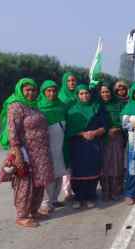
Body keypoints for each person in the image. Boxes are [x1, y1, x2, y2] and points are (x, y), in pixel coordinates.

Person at [0, 78, 54, 228]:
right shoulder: (16, 107)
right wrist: (17, 153)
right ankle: (22, 215)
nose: (31, 93)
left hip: (41, 153)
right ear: (21, 90)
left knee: (39, 183)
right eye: (27, 90)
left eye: (33, 90)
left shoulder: (35, 106)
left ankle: (34, 211)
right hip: (25, 152)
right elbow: (12, 132)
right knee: (24, 183)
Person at [65, 85, 107, 209]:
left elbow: (104, 125)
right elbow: (68, 129)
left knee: (92, 168)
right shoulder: (72, 110)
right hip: (77, 145)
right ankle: (78, 197)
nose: (84, 96)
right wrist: (82, 133)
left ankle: (91, 196)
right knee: (78, 170)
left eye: (86, 93)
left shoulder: (97, 108)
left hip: (93, 144)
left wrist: (94, 133)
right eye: (81, 94)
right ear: (77, 95)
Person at [37, 80, 68, 213]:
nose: (52, 93)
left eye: (54, 90)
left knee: (59, 172)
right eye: (48, 91)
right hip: (47, 146)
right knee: (48, 174)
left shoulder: (61, 106)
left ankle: (54, 199)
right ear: (43, 92)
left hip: (61, 145)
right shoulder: (39, 107)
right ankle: (45, 202)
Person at [99, 83, 126, 201]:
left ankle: (116, 190)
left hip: (117, 137)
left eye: (107, 92)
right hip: (102, 138)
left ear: (111, 92)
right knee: (104, 165)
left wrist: (116, 128)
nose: (105, 94)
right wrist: (103, 130)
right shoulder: (97, 106)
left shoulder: (118, 104)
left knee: (117, 164)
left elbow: (124, 120)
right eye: (103, 92)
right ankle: (105, 191)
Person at [58, 72, 78, 201]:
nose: (71, 83)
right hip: (64, 134)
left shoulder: (78, 95)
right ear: (64, 82)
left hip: (77, 133)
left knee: (75, 162)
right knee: (65, 162)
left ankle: (75, 187)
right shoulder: (60, 97)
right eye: (69, 81)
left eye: (73, 80)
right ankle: (66, 191)